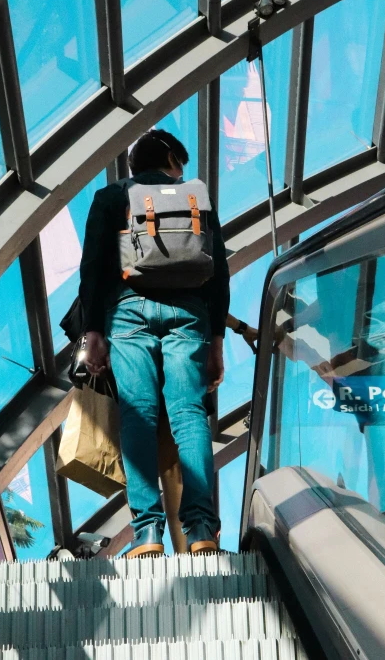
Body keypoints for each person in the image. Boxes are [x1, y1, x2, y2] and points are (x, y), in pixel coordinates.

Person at [79, 129, 230, 557]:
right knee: (188, 413)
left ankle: (147, 533)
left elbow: (91, 267)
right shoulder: (196, 197)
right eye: (180, 161)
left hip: (127, 314)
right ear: (170, 158)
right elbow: (219, 271)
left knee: (138, 416)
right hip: (189, 315)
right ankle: (201, 528)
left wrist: (93, 332)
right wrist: (216, 339)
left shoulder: (111, 197)